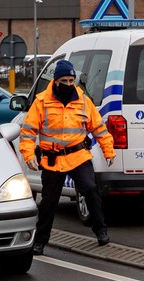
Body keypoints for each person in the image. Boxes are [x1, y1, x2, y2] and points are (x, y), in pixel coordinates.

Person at [19, 59, 116, 253]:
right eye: (64, 80)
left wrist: (108, 150)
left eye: (72, 80)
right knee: (48, 201)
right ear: (55, 81)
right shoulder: (41, 102)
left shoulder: (83, 101)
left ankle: (101, 231)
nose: (69, 84)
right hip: (52, 159)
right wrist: (29, 155)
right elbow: (28, 133)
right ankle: (40, 240)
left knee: (90, 189)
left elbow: (99, 128)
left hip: (78, 155)